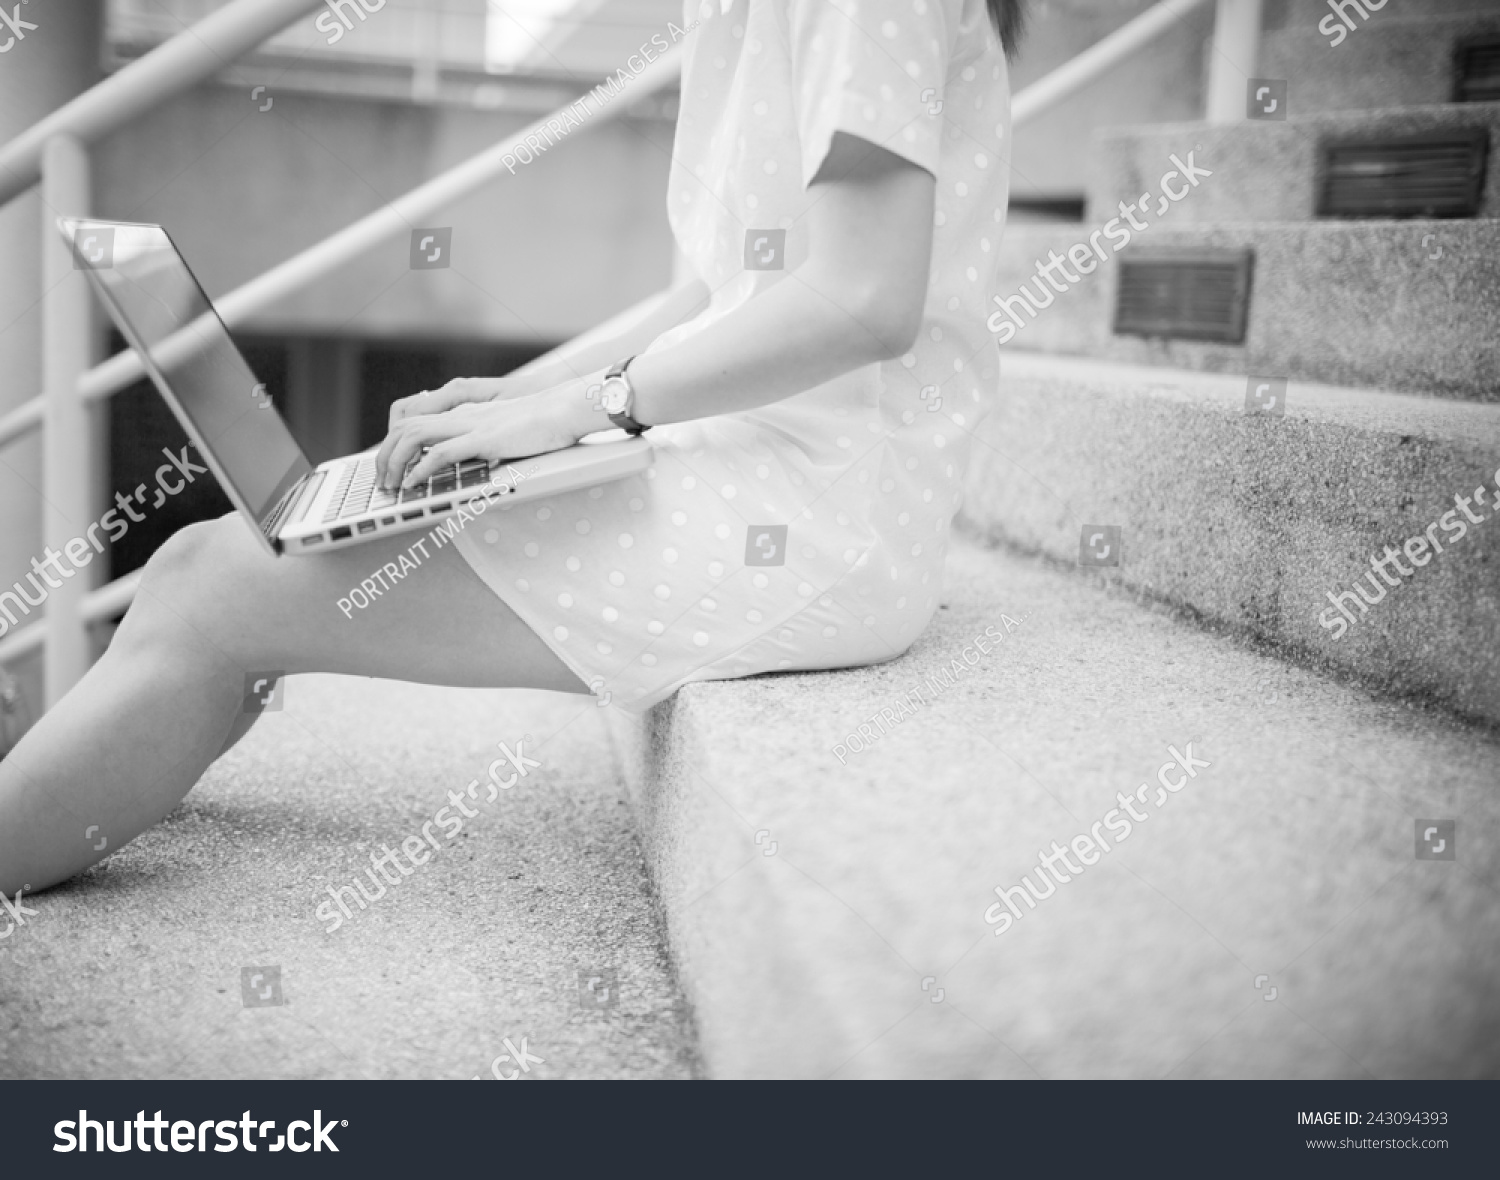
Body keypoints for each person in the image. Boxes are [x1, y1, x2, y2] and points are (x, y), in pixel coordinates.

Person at [0, 0, 1025, 897]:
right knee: (226, 565)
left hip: (816, 512)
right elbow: (724, 298)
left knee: (208, 588)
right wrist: (529, 401)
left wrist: (595, 401)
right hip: (753, 457)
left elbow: (862, 298)